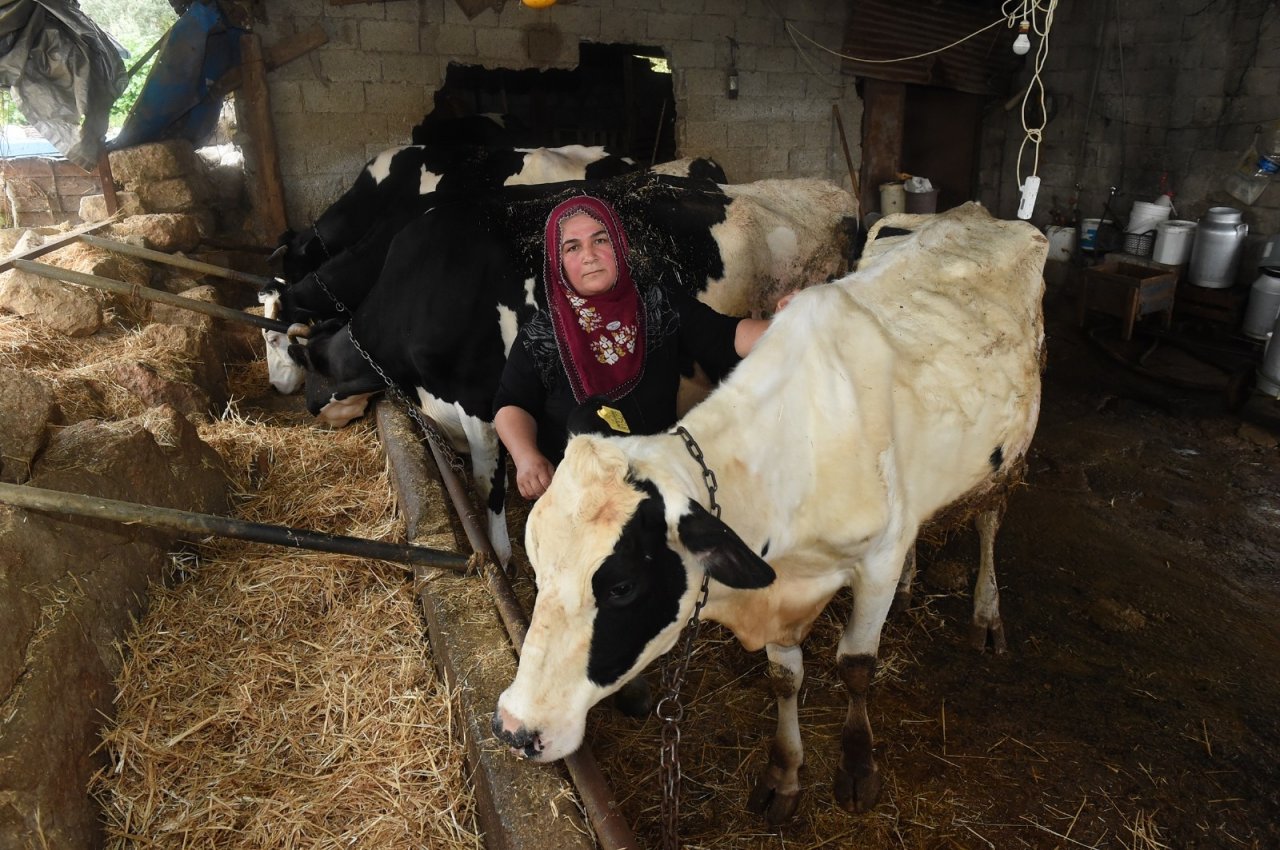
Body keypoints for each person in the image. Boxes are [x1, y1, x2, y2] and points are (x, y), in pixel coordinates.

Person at [494, 194, 777, 500]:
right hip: (580, 497)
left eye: (600, 240)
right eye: (572, 247)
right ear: (558, 262)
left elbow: (728, 335)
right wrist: (526, 458)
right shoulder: (542, 334)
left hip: (658, 482)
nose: (589, 255)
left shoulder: (657, 304)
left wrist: (792, 321)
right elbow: (511, 404)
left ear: (619, 245)